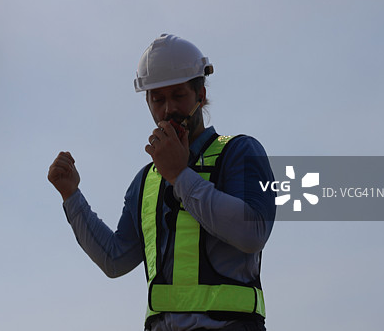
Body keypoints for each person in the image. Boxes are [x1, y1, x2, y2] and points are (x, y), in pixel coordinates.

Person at [48, 34, 276, 331]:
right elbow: (115, 259)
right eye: (157, 99)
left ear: (200, 95)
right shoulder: (146, 180)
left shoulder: (240, 151)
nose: (168, 109)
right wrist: (71, 195)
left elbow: (253, 232)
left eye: (178, 95)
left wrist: (180, 176)